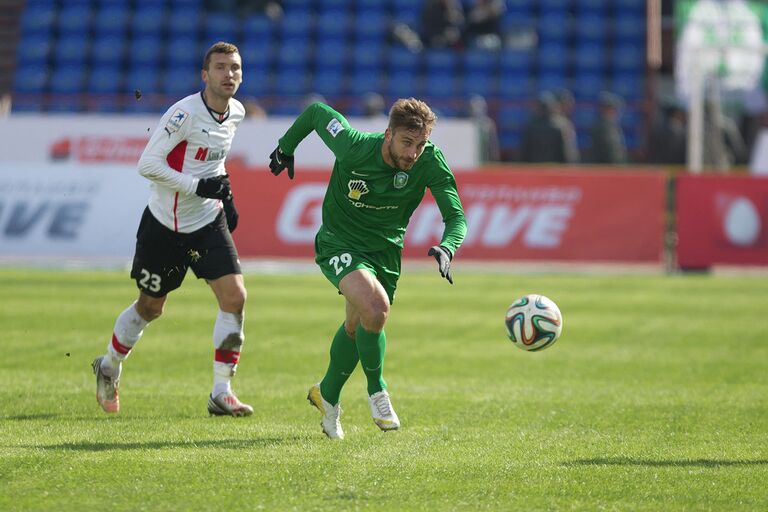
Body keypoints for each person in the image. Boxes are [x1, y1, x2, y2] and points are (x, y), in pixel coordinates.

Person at [268, 98, 467, 439]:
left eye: (420, 144)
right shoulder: (354, 147)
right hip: (338, 243)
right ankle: (378, 391)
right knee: (376, 309)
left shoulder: (430, 160)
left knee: (357, 325)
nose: (413, 153)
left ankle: (327, 395)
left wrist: (449, 246)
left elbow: (455, 216)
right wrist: (286, 147)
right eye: (407, 143)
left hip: (385, 253)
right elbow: (317, 113)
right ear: (388, 134)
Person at [91, 42, 252, 417]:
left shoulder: (237, 113)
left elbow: (215, 161)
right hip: (165, 225)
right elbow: (147, 165)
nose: (229, 74)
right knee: (151, 307)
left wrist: (225, 196)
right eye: (221, 67)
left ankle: (221, 391)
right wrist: (198, 186)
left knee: (235, 297)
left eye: (236, 68)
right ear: (204, 75)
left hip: (207, 221)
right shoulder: (183, 114)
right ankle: (109, 365)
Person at [520, 92, 579, 163]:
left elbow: (524, 154)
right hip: (554, 170)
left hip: (539, 169)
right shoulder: (563, 125)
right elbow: (569, 155)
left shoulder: (531, 126)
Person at [588, 91, 627, 164]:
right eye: (614, 108)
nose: (617, 112)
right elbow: (612, 153)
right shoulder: (605, 127)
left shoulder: (608, 125)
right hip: (607, 168)